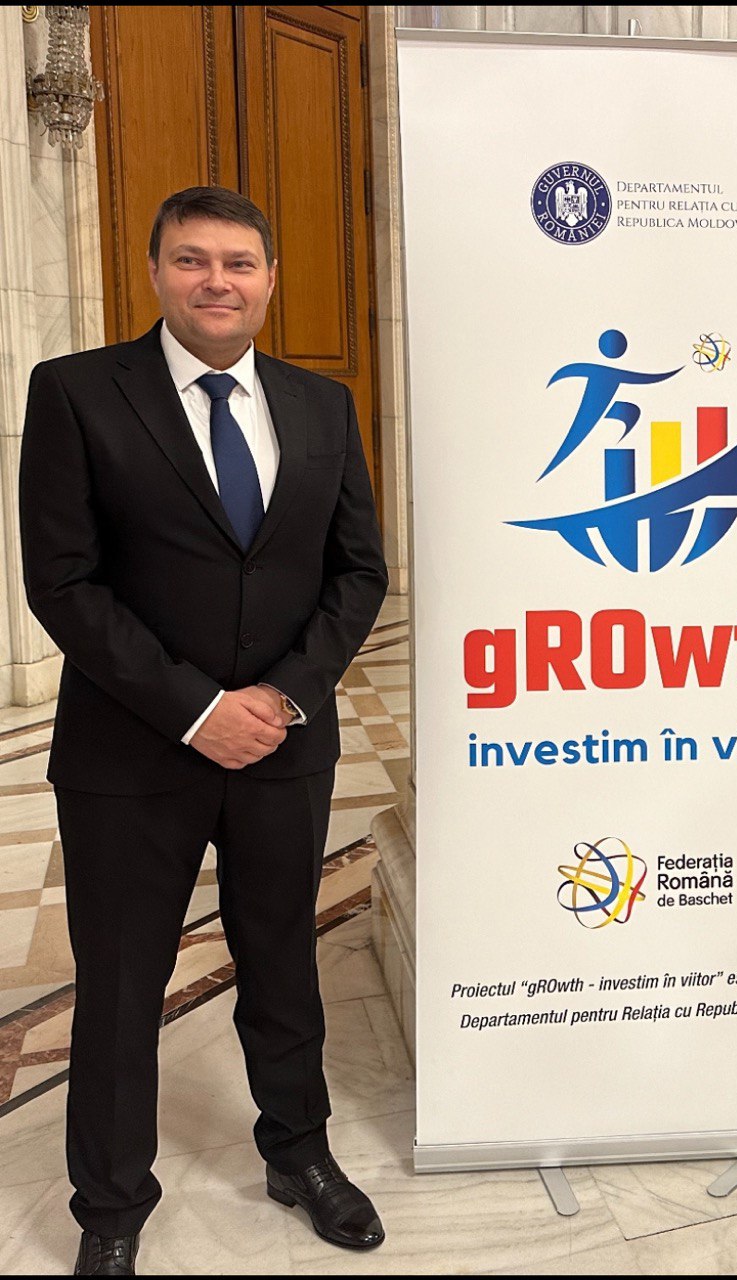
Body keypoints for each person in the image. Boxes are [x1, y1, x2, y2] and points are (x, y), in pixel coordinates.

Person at [19, 186, 390, 1276]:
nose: (216, 281)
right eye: (192, 260)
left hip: (283, 745)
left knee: (283, 961)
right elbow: (63, 580)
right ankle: (110, 1204)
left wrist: (281, 698)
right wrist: (196, 709)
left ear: (270, 279)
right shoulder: (78, 392)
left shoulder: (323, 405)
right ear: (155, 272)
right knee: (121, 982)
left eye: (238, 262)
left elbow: (358, 570)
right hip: (130, 752)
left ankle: (299, 1153)